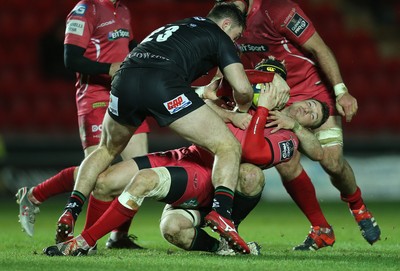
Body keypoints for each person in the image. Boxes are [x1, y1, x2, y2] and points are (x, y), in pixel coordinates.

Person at [43, 73, 330, 256]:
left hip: (214, 181)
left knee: (251, 174)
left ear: (306, 126)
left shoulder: (287, 138)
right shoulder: (248, 99)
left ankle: (81, 242)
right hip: (189, 157)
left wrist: (268, 111)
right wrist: (224, 98)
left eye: (312, 115)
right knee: (110, 185)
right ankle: (89, 244)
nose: (308, 109)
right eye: (310, 104)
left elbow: (254, 152)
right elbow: (202, 92)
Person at [52, 3, 259, 254]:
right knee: (227, 146)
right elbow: (244, 89)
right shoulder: (217, 34)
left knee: (106, 149)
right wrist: (242, 108)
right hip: (161, 84)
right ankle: (222, 214)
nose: (234, 42)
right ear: (226, 24)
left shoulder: (176, 26)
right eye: (235, 36)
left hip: (125, 79)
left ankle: (70, 209)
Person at [223, 0, 381, 250]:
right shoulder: (229, 19)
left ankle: (357, 205)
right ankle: (321, 229)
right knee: (286, 160)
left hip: (313, 93)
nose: (225, 2)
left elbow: (319, 48)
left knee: (331, 162)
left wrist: (341, 91)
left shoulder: (278, 10)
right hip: (278, 98)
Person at [16, 0, 150, 249]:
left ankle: (119, 237)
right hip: (96, 97)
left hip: (126, 97)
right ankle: (36, 197)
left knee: (140, 171)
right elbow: (71, 59)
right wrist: (110, 68)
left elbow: (127, 46)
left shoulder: (123, 10)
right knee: (98, 175)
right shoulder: (86, 9)